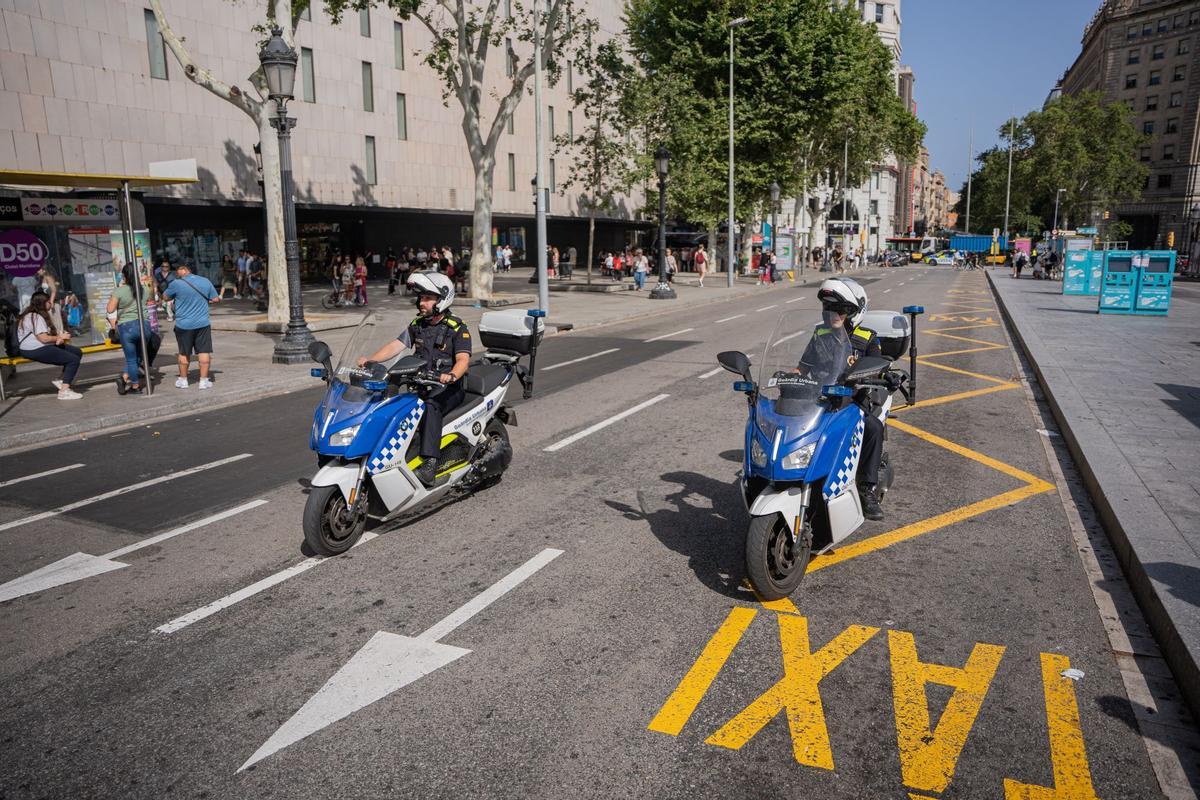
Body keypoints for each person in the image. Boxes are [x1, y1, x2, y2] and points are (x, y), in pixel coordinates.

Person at [357, 271, 471, 486]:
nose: (422, 302)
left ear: (442, 299)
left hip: (447, 388)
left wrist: (452, 375)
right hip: (420, 383)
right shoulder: (418, 324)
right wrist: (370, 361)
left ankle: (430, 463)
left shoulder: (456, 327)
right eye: (421, 298)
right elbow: (395, 346)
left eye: (428, 298)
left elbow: (463, 359)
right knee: (393, 402)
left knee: (431, 406)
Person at [810, 277, 886, 521]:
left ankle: (866, 488)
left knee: (873, 428)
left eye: (841, 310)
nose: (834, 314)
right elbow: (802, 366)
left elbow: (880, 368)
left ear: (854, 312)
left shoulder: (867, 337)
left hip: (852, 402)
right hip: (820, 399)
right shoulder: (820, 333)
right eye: (829, 308)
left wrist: (884, 376)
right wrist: (786, 376)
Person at [16, 291, 83, 399]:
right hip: (34, 349)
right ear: (42, 303)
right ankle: (64, 391)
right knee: (73, 360)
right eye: (48, 302)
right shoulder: (35, 317)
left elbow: (44, 337)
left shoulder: (31, 315)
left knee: (76, 352)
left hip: (36, 346)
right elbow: (44, 338)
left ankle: (61, 380)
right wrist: (60, 337)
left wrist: (56, 339)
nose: (51, 304)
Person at [107, 262, 160, 395]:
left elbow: (110, 309)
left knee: (131, 359)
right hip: (144, 326)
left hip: (127, 327)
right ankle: (124, 378)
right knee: (138, 356)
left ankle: (135, 386)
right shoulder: (143, 289)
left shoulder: (119, 291)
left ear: (124, 276)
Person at [164, 262, 219, 389]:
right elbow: (215, 299)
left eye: (178, 269)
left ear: (184, 269)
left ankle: (183, 380)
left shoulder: (176, 284)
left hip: (184, 325)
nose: (176, 273)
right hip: (203, 323)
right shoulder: (205, 281)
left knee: (184, 353)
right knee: (204, 351)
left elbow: (165, 297)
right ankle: (203, 381)